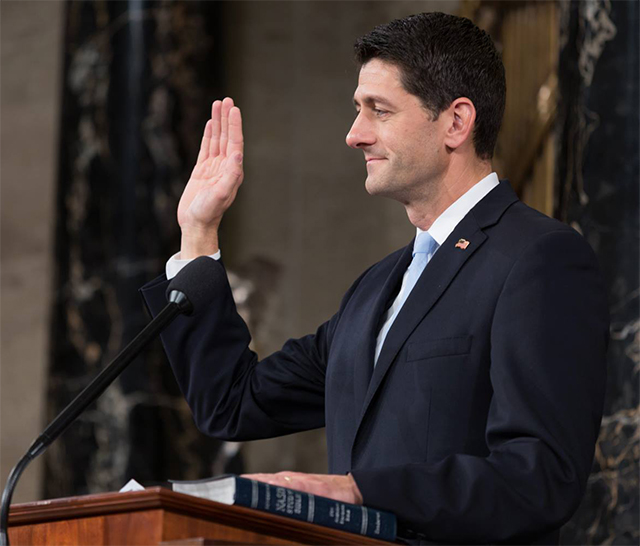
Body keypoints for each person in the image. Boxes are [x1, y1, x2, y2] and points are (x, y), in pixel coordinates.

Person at [141, 13, 608, 544]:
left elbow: (540, 478)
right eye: (357, 110)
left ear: (456, 122)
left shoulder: (539, 258)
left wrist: (360, 491)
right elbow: (232, 403)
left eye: (378, 111)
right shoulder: (375, 287)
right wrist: (198, 232)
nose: (354, 135)